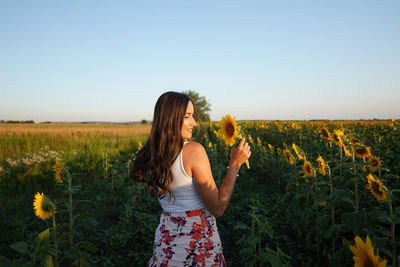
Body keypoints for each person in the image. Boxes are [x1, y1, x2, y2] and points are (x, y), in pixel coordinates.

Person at [131, 91, 251, 266]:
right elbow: (218, 208)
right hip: (198, 248)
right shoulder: (193, 151)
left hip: (167, 245)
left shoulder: (152, 154)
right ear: (171, 118)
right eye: (187, 117)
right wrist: (235, 164)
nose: (194, 122)